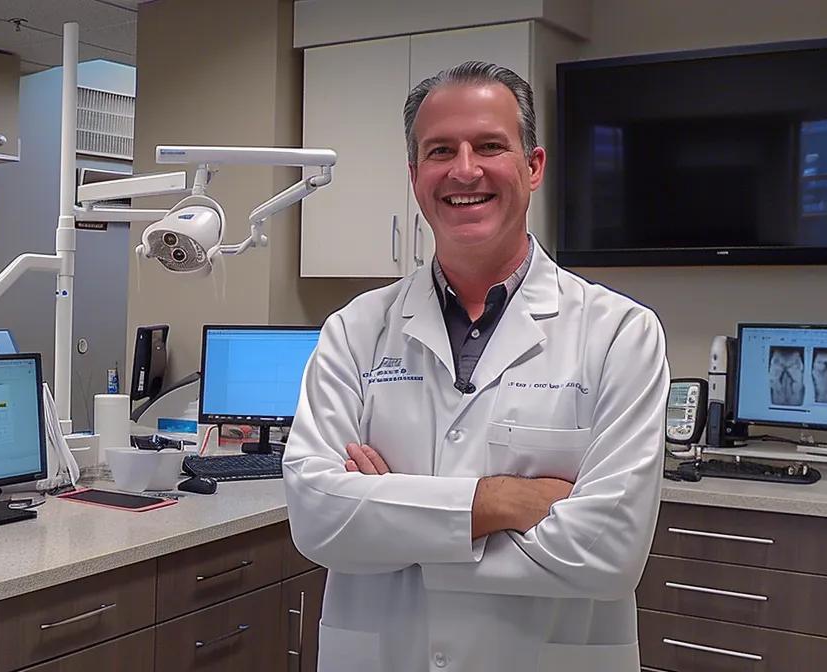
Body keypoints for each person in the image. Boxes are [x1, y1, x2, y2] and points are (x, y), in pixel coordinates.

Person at [283, 61, 669, 672]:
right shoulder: (355, 331)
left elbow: (608, 553)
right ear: (414, 176)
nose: (465, 170)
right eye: (441, 151)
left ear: (533, 166)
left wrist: (393, 517)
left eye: (490, 145)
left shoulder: (620, 332)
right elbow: (317, 518)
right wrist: (501, 502)